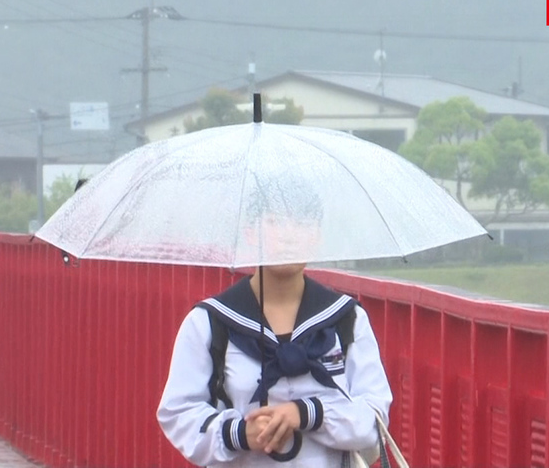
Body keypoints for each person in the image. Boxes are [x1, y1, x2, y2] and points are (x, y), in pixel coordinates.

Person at [156, 186, 393, 467]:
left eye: (303, 223)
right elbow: (178, 413)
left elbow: (375, 419)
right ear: (249, 232)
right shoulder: (210, 322)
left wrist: (307, 414)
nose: (289, 235)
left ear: (317, 236)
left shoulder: (346, 318)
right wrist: (239, 434)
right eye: (275, 221)